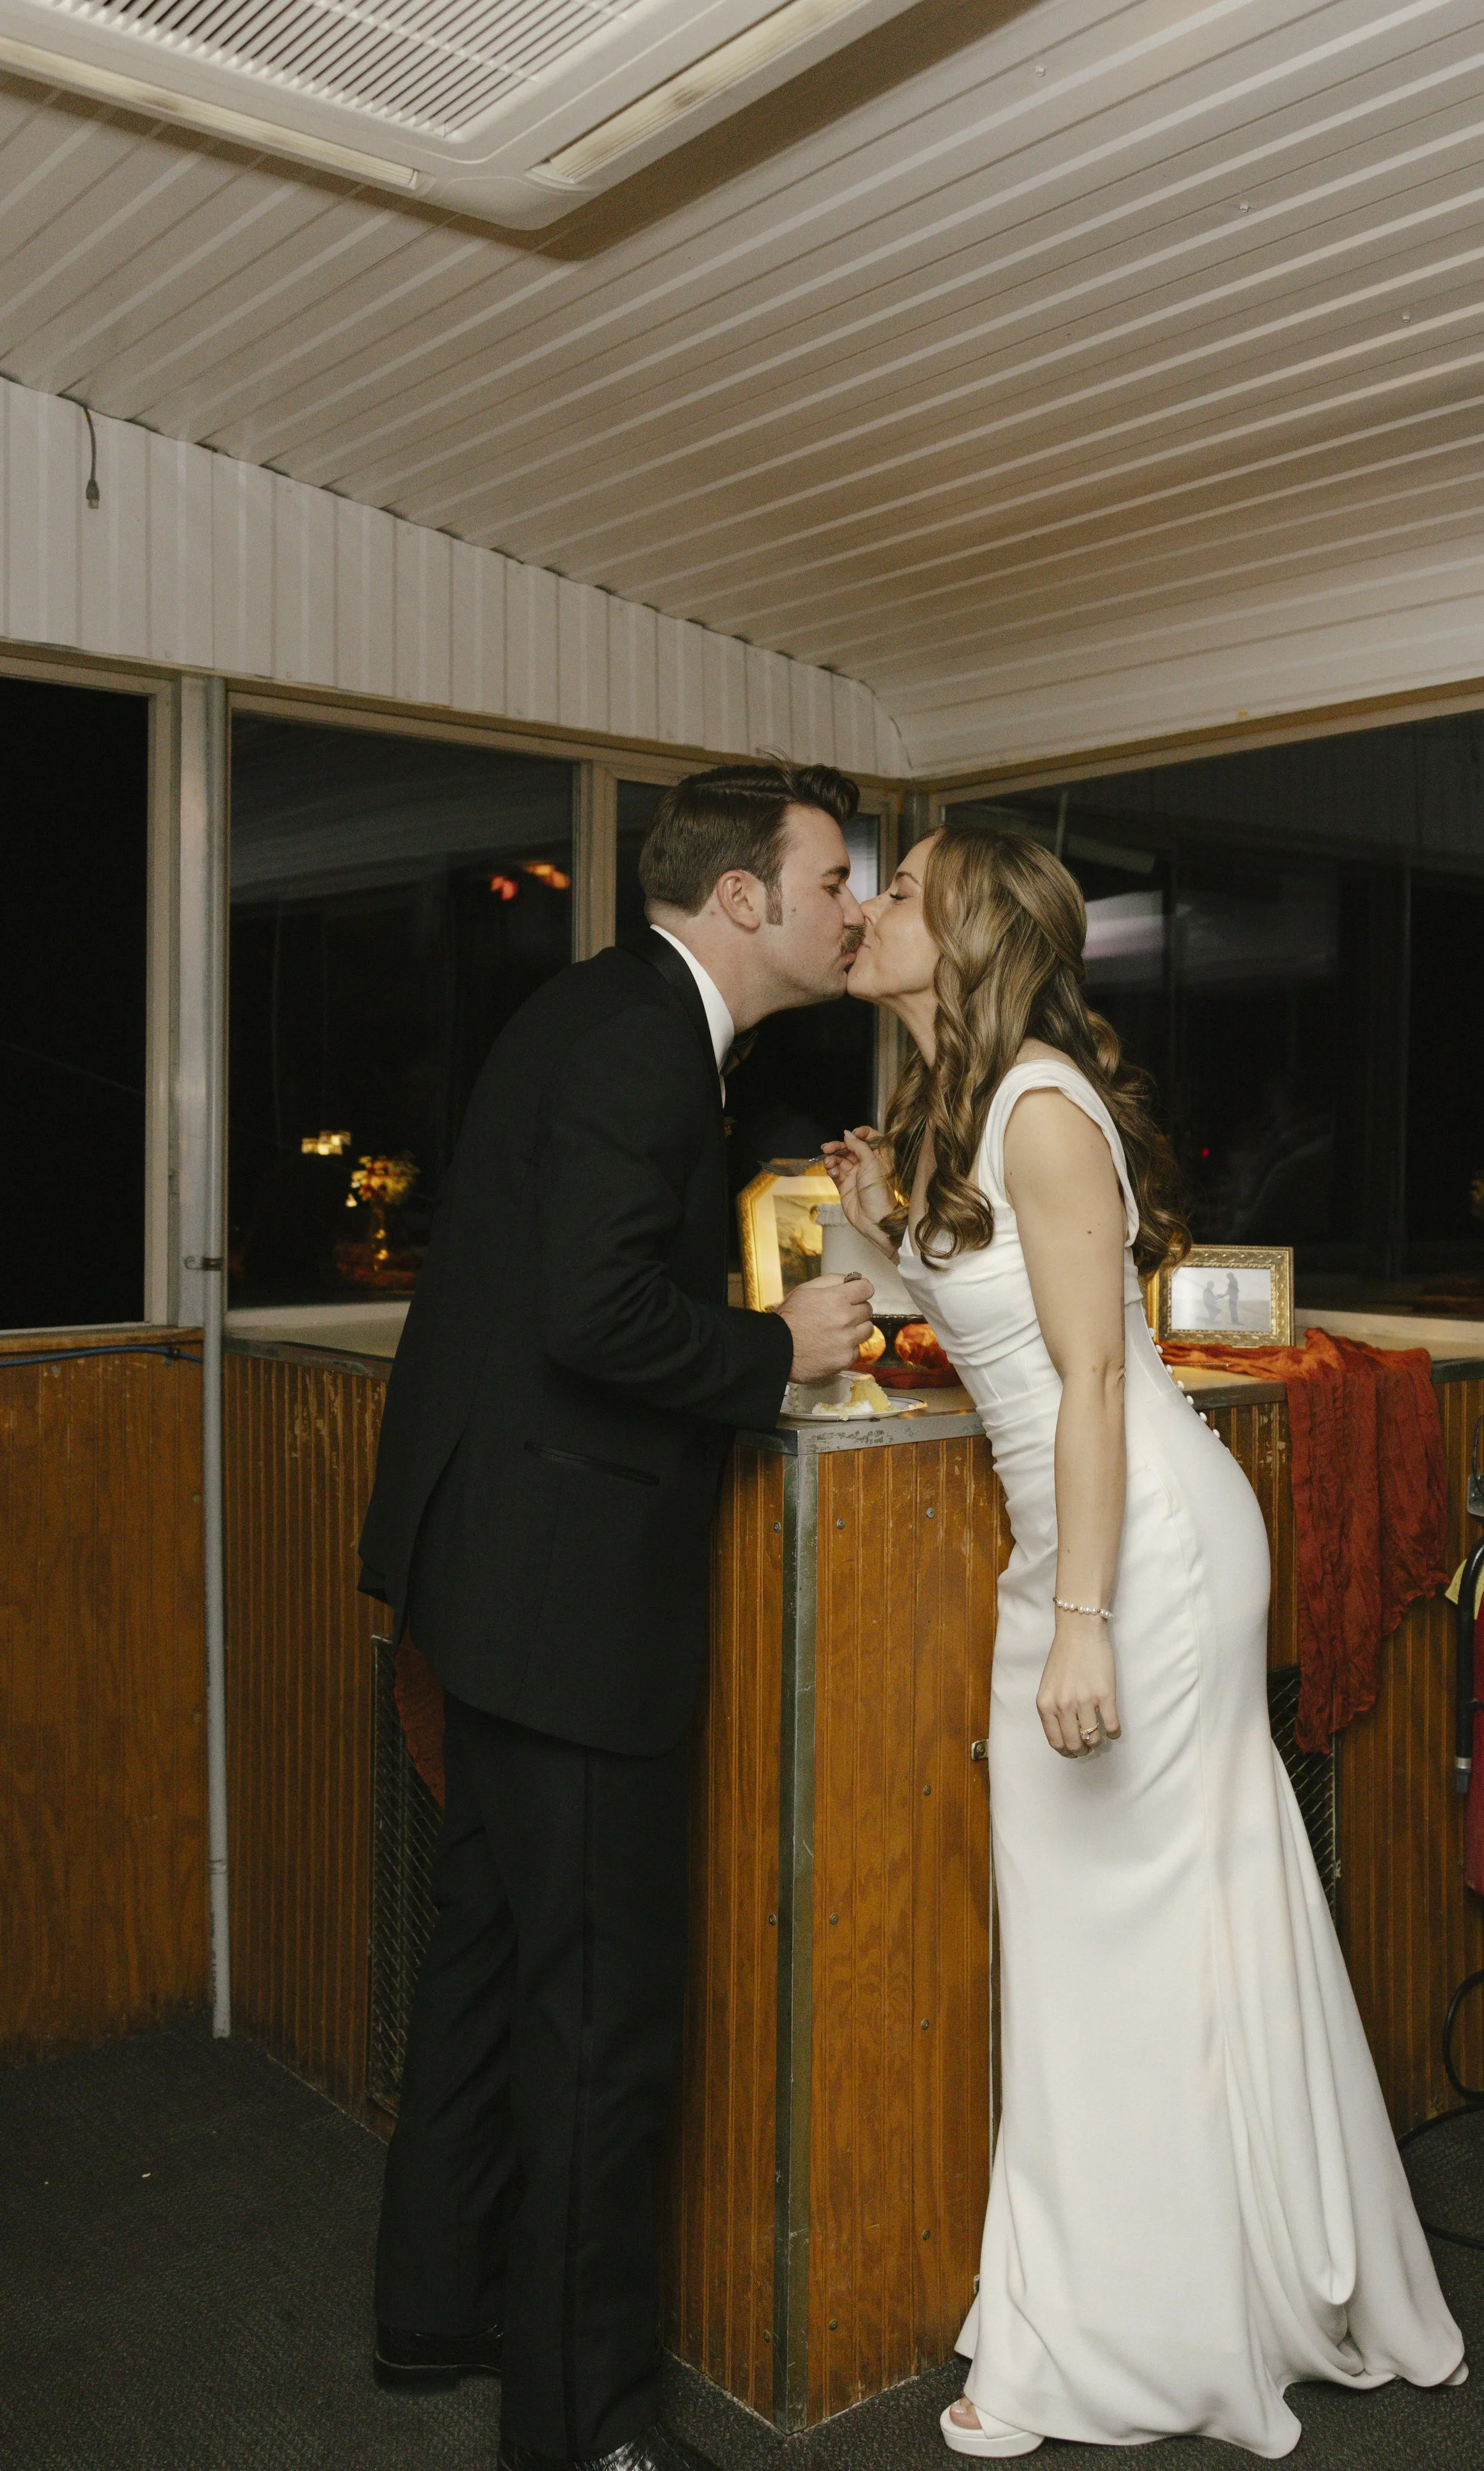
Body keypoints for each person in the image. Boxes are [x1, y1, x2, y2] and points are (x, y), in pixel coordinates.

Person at [823, 825, 1464, 2460]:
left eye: (898, 892)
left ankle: (1111, 2336)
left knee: (1106, 1934)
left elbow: (1096, 1379)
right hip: (1088, 1540)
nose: (871, 905)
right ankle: (1161, 2289)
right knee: (1125, 1931)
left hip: (1140, 1557)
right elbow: (1012, 1334)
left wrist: (1087, 1618)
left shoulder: (1036, 1106)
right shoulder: (964, 1110)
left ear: (963, 940)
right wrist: (879, 1227)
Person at [359, 761, 876, 2471]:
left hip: (488, 1573)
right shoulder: (649, 1041)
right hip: (564, 1600)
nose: (848, 907)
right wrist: (771, 1351)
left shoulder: (602, 1010)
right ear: (742, 897)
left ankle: (432, 2307)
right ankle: (586, 2431)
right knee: (603, 2026)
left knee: (492, 1959)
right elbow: (594, 1314)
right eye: (827, 880)